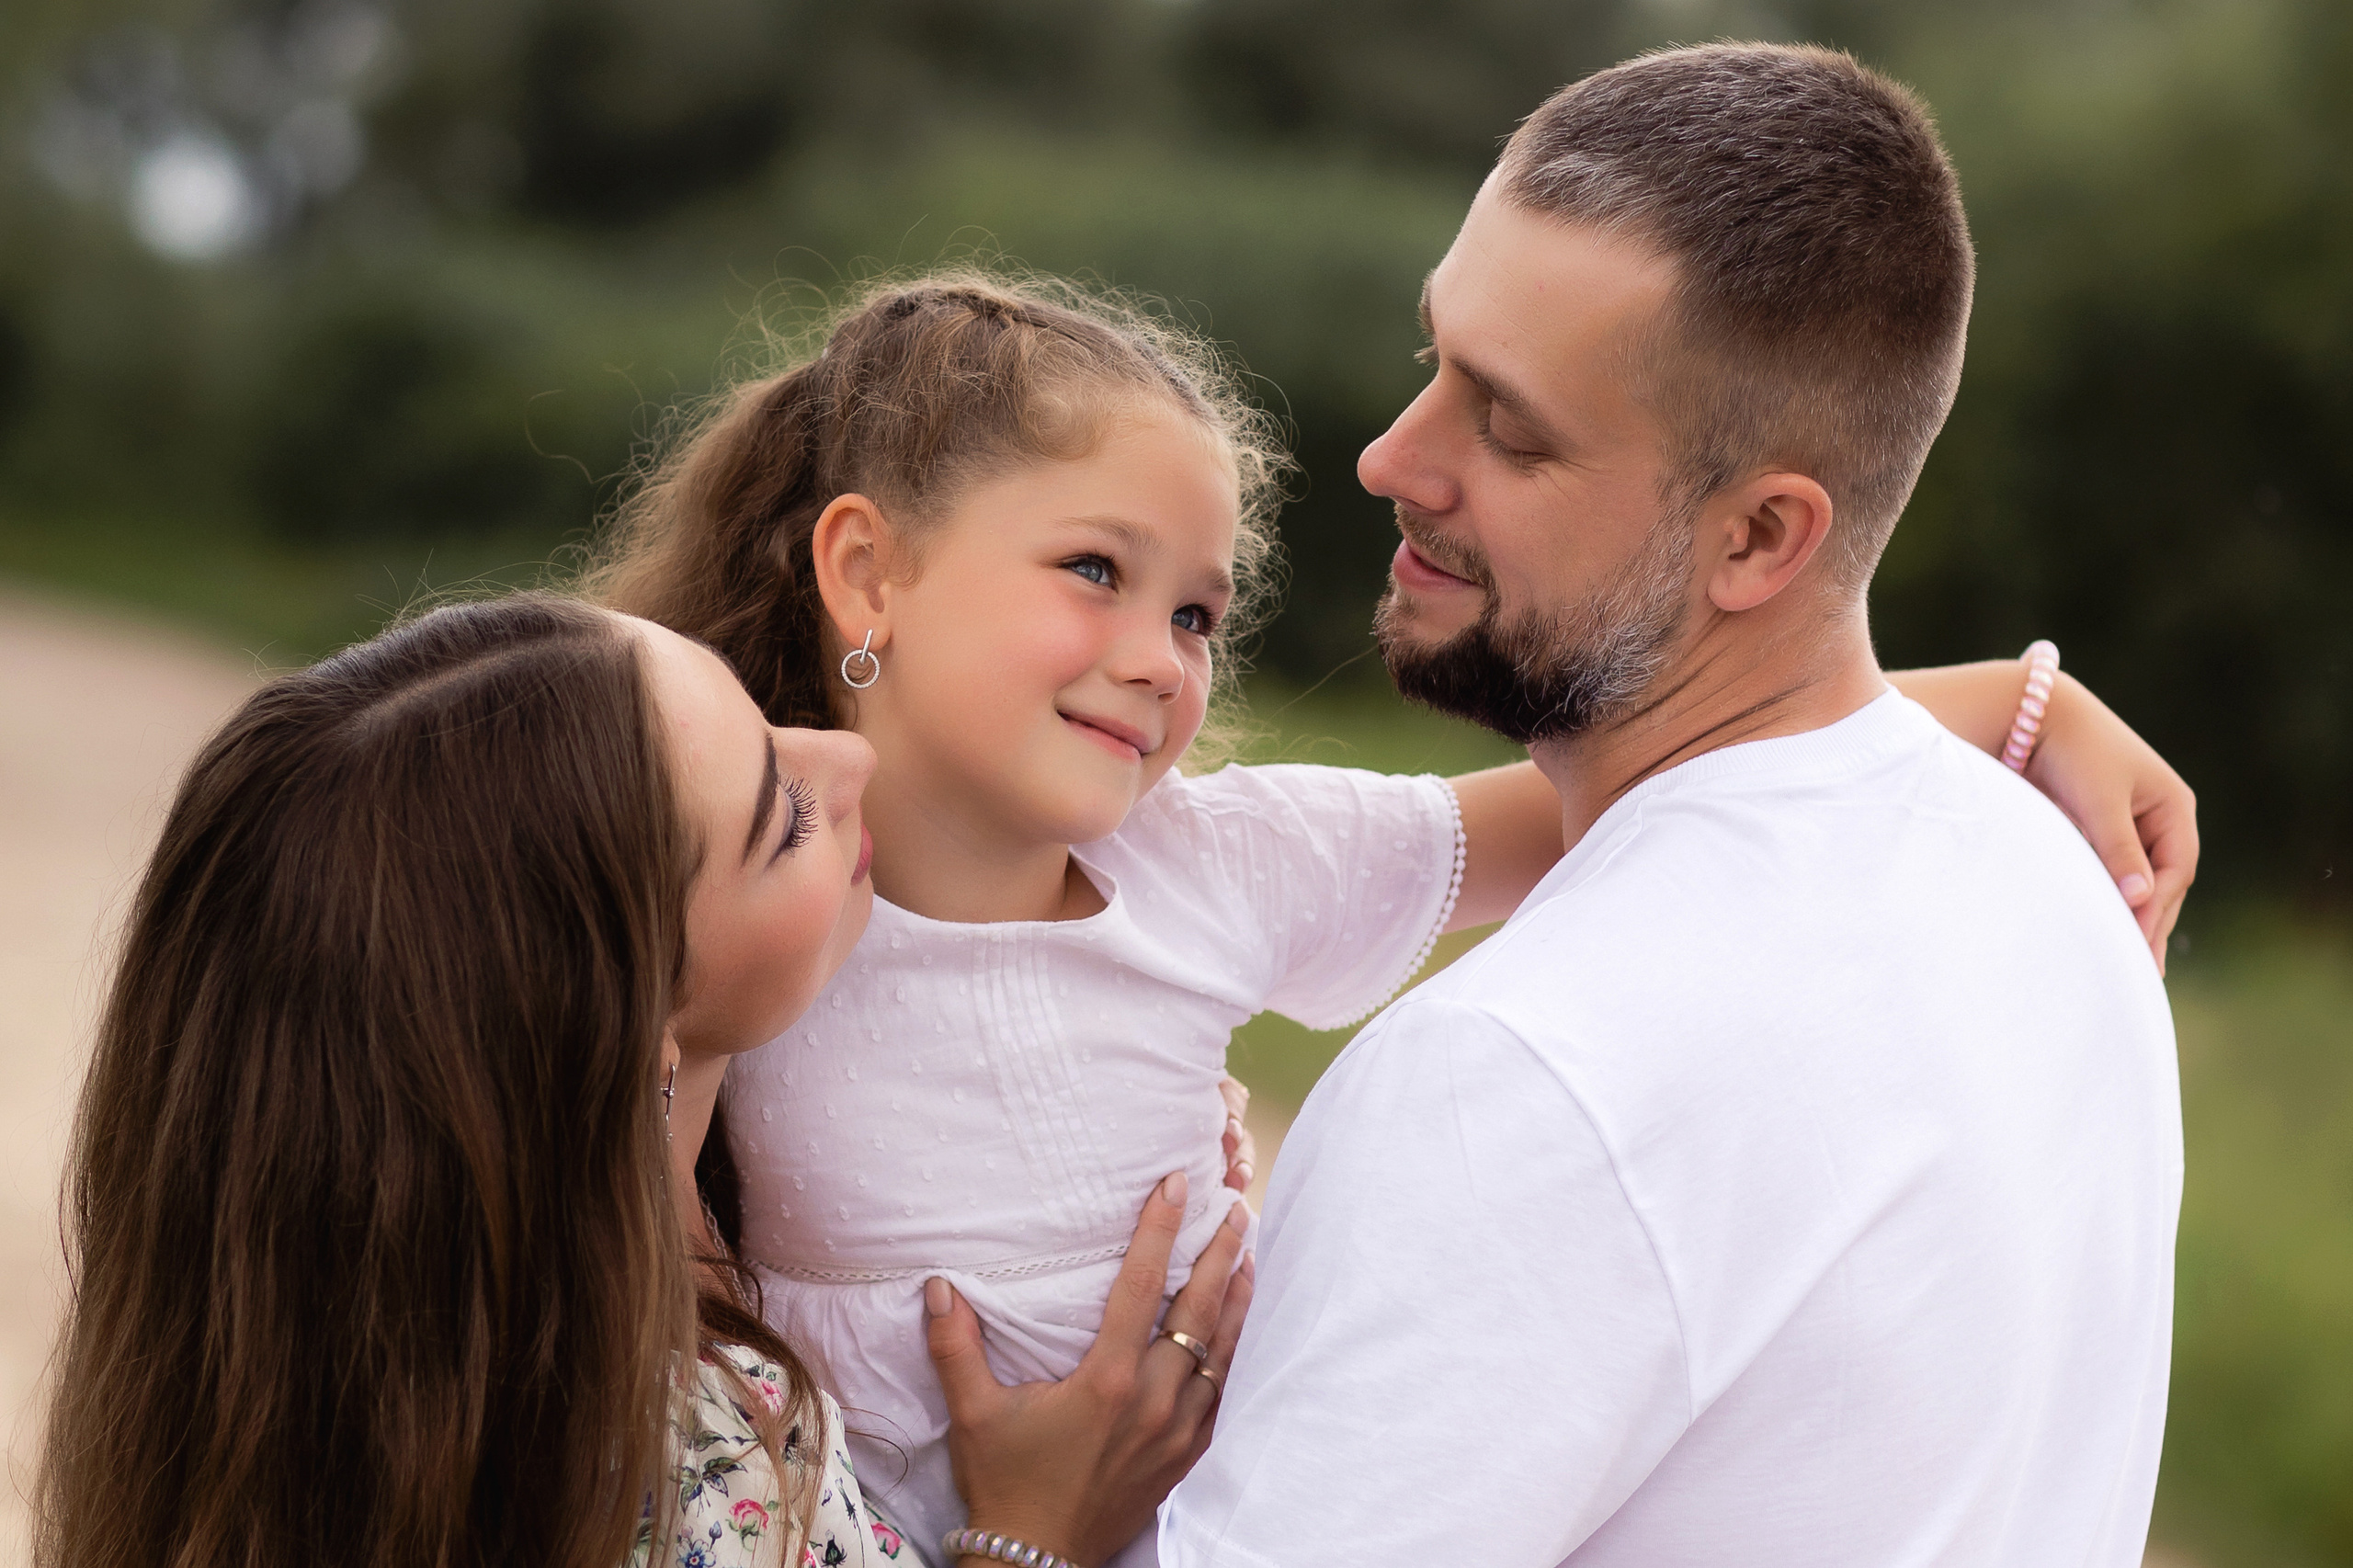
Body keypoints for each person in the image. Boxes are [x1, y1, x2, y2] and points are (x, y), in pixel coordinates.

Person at [588, 272, 2194, 1566]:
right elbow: (620, 1269)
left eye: (1196, 611)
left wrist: (2016, 700)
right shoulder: (747, 896)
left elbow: (1607, 793)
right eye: (1093, 570)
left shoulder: (1216, 863)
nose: (1158, 658)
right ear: (869, 573)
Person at [1161, 43, 2187, 1566]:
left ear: (1761, 537)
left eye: (1510, 428)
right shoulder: (2060, 886)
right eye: (1434, 356)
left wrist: (1023, 1529)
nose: (1392, 457)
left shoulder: (1515, 1078)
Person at [33, 594, 1249, 1568]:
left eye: (769, 721)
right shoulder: (676, 1465)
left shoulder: (324, 1342)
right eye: (781, 819)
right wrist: (1032, 1532)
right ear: (621, 1036)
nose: (849, 757)